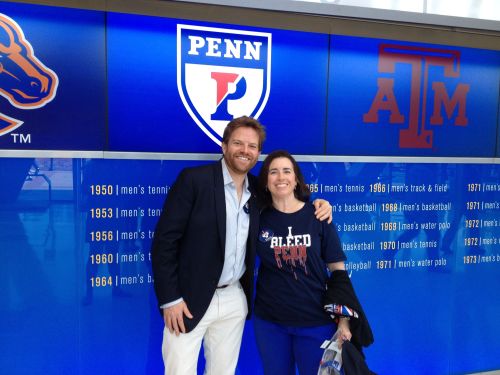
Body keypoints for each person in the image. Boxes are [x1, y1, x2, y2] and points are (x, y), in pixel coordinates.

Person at [151, 117, 332, 375]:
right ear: (224, 146)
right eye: (237, 143)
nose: (244, 150)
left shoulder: (259, 190)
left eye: (252, 146)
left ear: (258, 153)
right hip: (188, 300)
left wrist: (319, 204)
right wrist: (170, 299)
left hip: (234, 298)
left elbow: (289, 199)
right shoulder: (194, 180)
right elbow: (164, 243)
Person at [253, 150, 353, 375]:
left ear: (296, 179)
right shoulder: (258, 218)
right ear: (266, 182)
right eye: (273, 172)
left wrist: (344, 320)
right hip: (270, 323)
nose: (281, 177)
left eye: (287, 171)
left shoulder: (318, 216)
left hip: (316, 322)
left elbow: (338, 272)